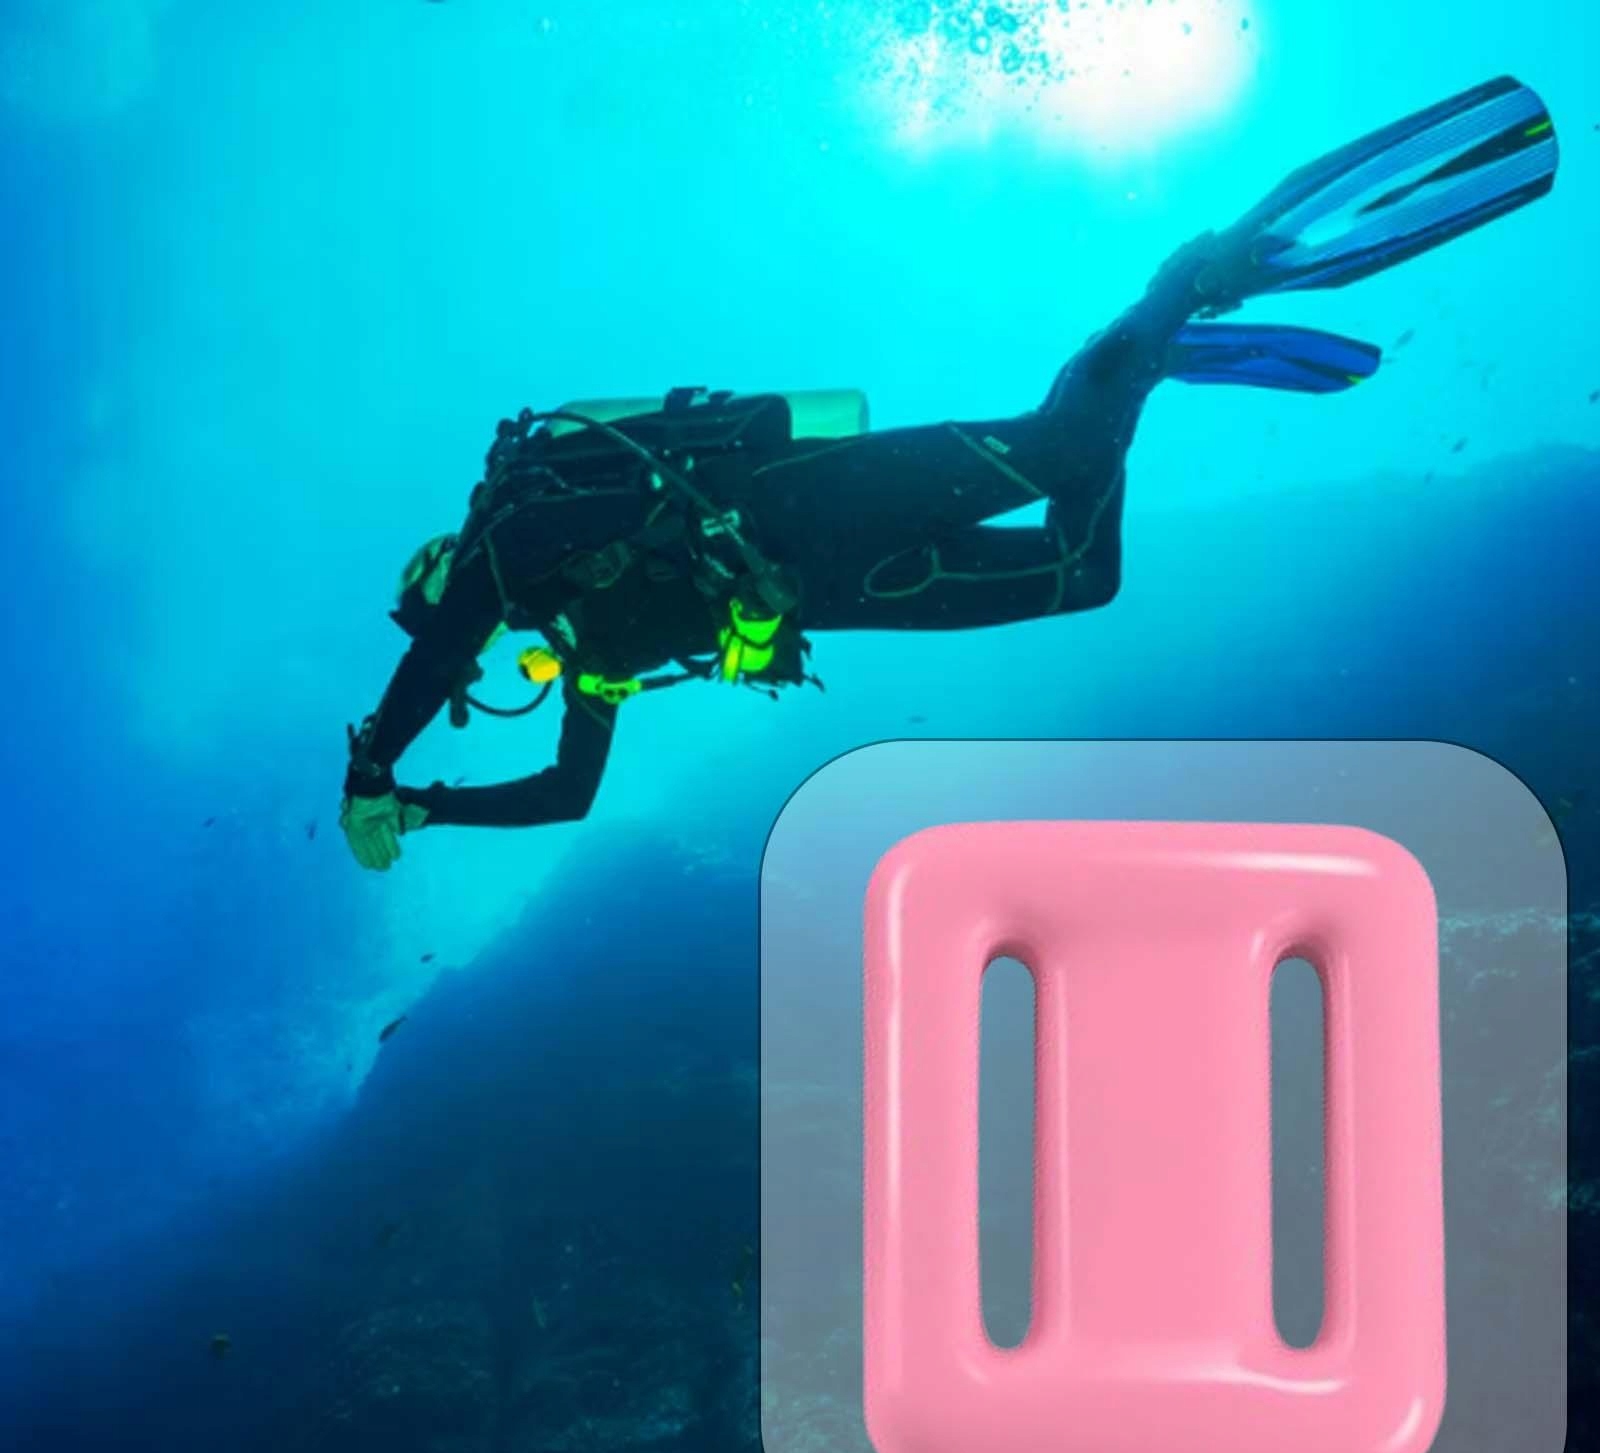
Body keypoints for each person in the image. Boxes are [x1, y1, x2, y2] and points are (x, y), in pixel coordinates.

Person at [340, 76, 1557, 870]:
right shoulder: (584, 642)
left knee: (1062, 446)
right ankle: (1147, 364)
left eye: (431, 588)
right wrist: (425, 806)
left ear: (445, 557)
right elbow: (568, 793)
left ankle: (1174, 291)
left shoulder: (517, 528)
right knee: (1084, 576)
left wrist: (368, 770)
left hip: (806, 499)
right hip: (835, 593)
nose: (457, 625)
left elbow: (441, 645)